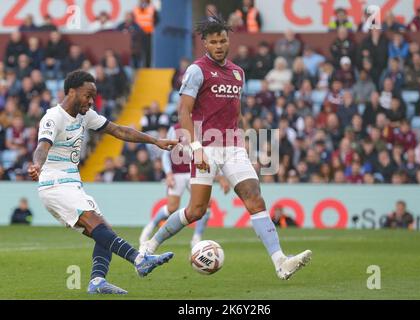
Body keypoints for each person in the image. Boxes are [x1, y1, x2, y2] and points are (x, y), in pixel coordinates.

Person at [140, 15, 312, 280]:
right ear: (205, 44)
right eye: (214, 41)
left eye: (223, 40)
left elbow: (236, 113)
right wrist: (195, 147)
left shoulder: (237, 73)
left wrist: (246, 145)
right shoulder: (197, 70)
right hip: (205, 146)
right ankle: (150, 247)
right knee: (195, 210)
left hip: (232, 146)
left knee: (255, 198)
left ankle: (281, 262)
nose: (219, 45)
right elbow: (183, 110)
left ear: (228, 40)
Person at [28, 70, 177, 294]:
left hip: (72, 184)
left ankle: (97, 281)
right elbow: (42, 146)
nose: (91, 101)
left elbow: (119, 130)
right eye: (88, 95)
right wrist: (37, 165)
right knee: (97, 225)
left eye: (93, 97)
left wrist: (155, 141)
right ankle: (139, 259)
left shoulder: (84, 115)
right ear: (72, 91)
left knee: (103, 230)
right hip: (55, 184)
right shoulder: (53, 117)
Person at [139, 123, 231, 248]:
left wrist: (220, 176)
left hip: (194, 170)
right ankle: (149, 227)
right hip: (177, 172)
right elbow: (167, 153)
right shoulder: (175, 128)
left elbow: (208, 154)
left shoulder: (201, 128)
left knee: (206, 203)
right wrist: (169, 173)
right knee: (172, 207)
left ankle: (196, 238)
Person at [133, 0, 159, 67]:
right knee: (138, 51)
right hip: (138, 34)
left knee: (148, 51)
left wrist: (152, 26)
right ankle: (138, 66)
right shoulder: (136, 8)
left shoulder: (152, 8)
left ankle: (147, 66)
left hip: (148, 33)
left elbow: (157, 19)